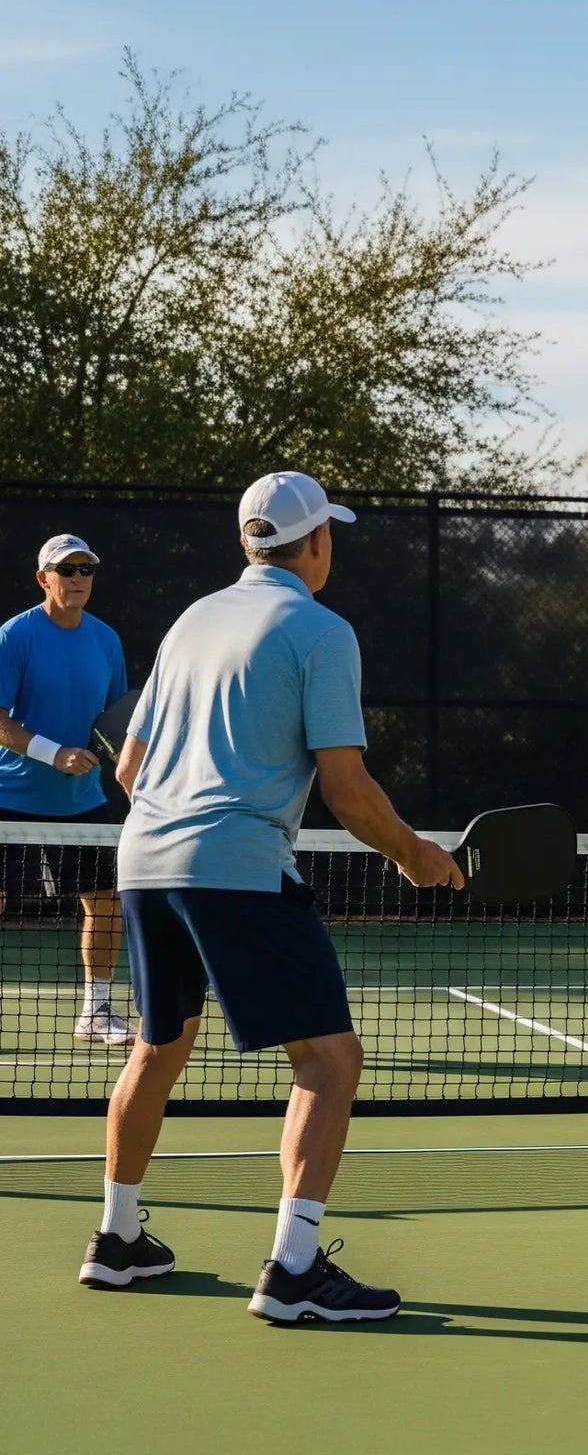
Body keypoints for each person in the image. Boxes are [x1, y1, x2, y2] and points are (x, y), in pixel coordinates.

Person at [77, 471, 462, 1323]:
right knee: (329, 1061)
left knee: (157, 1048)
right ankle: (293, 1273)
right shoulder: (320, 631)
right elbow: (349, 790)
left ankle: (116, 1240)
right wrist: (416, 856)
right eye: (333, 536)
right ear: (316, 543)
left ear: (248, 543)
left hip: (143, 858)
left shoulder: (190, 622)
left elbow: (132, 769)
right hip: (237, 865)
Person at [0, 534, 132, 1045]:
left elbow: (118, 721)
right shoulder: (15, 637)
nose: (78, 578)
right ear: (44, 579)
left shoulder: (106, 640)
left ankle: (95, 1012)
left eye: (86, 568)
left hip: (85, 802)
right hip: (11, 799)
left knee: (105, 903)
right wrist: (52, 753)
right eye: (67, 569)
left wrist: (135, 780)